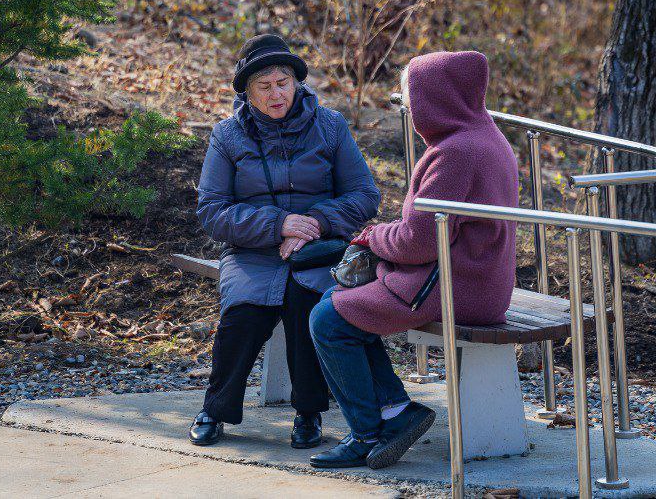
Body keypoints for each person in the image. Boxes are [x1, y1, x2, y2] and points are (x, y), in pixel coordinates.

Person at [308, 50, 519, 470]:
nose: (405, 107)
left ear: (434, 98)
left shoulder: (455, 154)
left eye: (407, 97)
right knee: (343, 306)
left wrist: (371, 235)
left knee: (327, 320)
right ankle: (394, 413)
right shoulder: (484, 135)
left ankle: (367, 434)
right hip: (479, 280)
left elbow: (416, 243)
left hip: (455, 285)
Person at [191, 33, 381, 449]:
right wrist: (279, 224)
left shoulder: (330, 126)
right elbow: (212, 210)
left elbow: (365, 195)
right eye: (265, 86)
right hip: (252, 250)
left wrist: (311, 223)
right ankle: (215, 409)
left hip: (318, 249)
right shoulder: (227, 135)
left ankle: (309, 412)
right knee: (243, 315)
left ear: (296, 83)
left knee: (306, 305)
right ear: (247, 92)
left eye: (283, 83)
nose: (276, 93)